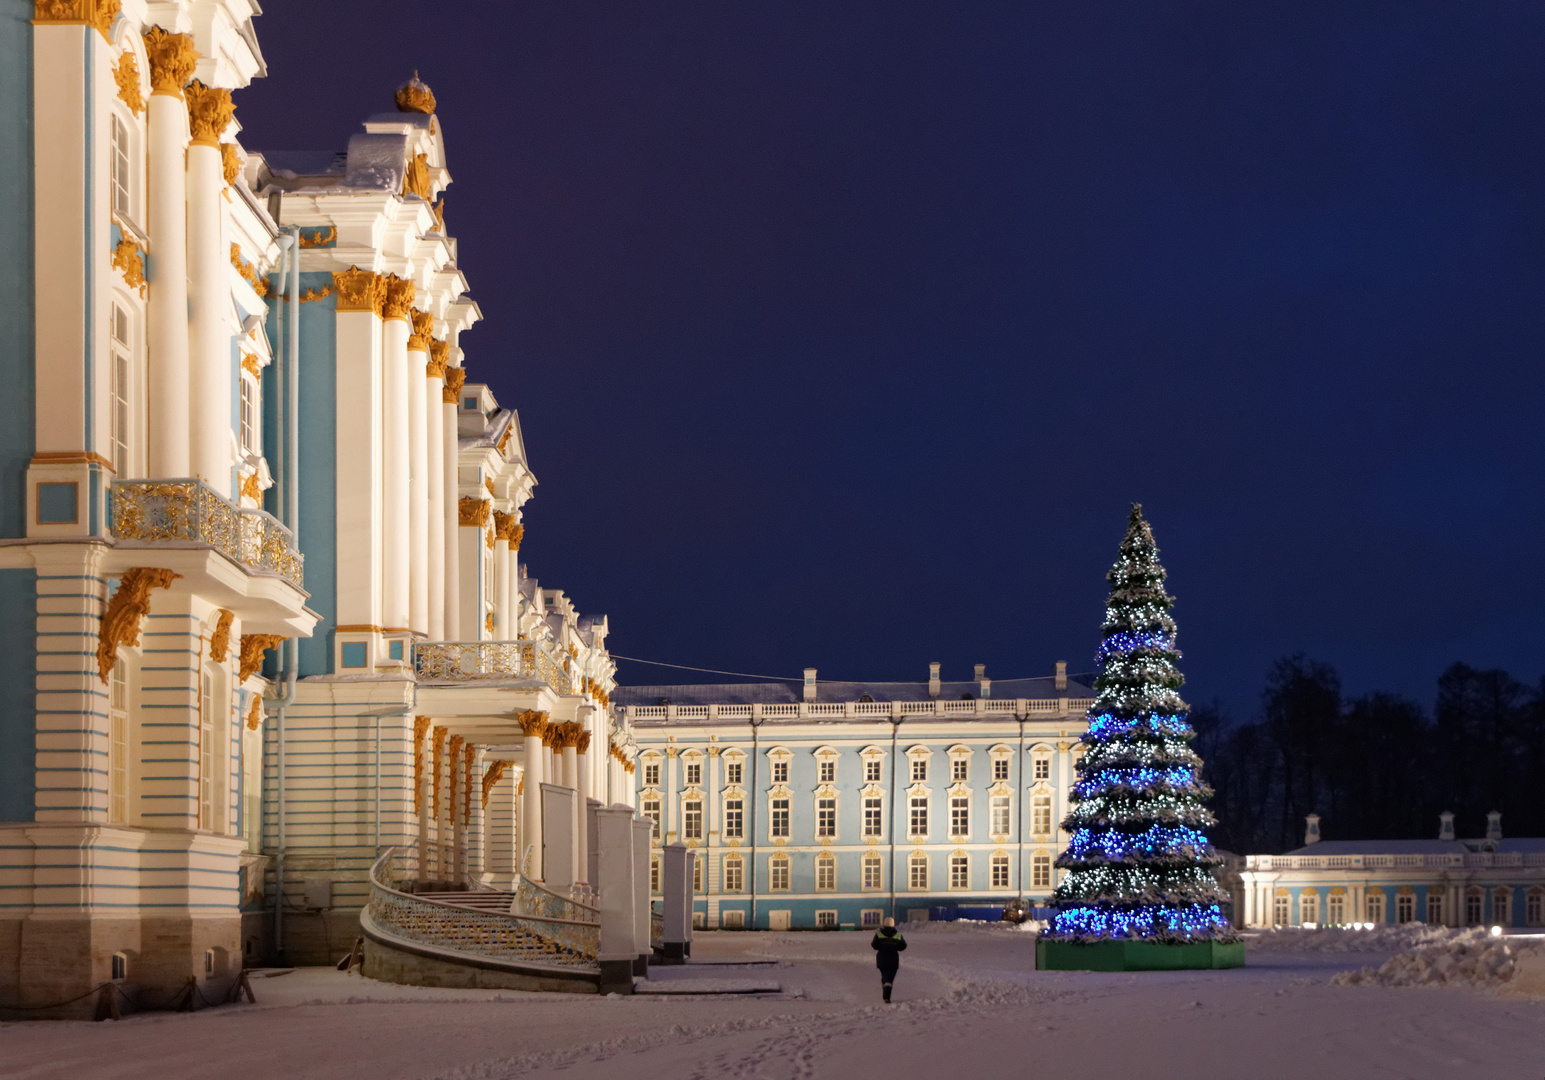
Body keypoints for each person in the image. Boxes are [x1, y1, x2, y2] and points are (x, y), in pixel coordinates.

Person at [870, 916, 907, 1002]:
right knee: (889, 978)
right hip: (893, 959)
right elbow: (903, 946)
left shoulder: (879, 934)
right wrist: (895, 946)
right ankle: (886, 996)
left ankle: (885, 991)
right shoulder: (898, 935)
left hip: (881, 959)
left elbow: (874, 945)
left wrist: (882, 946)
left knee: (884, 975)